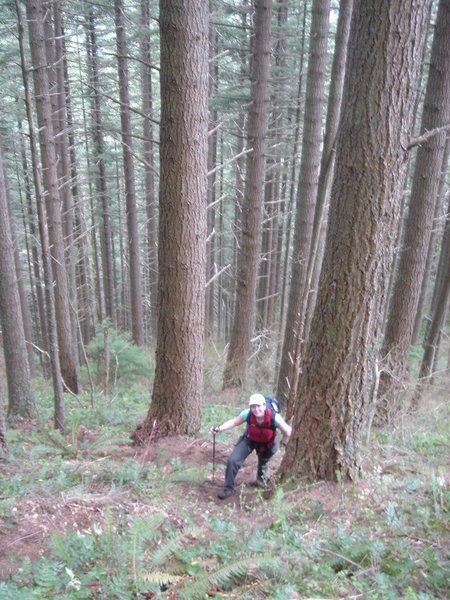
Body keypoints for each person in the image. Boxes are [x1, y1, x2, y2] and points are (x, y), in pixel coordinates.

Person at [211, 393, 292, 499]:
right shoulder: (247, 414)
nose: (256, 409)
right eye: (253, 406)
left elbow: (288, 431)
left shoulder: (274, 417)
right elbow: (234, 422)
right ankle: (228, 488)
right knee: (233, 460)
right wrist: (219, 428)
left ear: (264, 406)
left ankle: (260, 480)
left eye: (258, 406)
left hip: (268, 443)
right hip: (249, 439)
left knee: (263, 461)